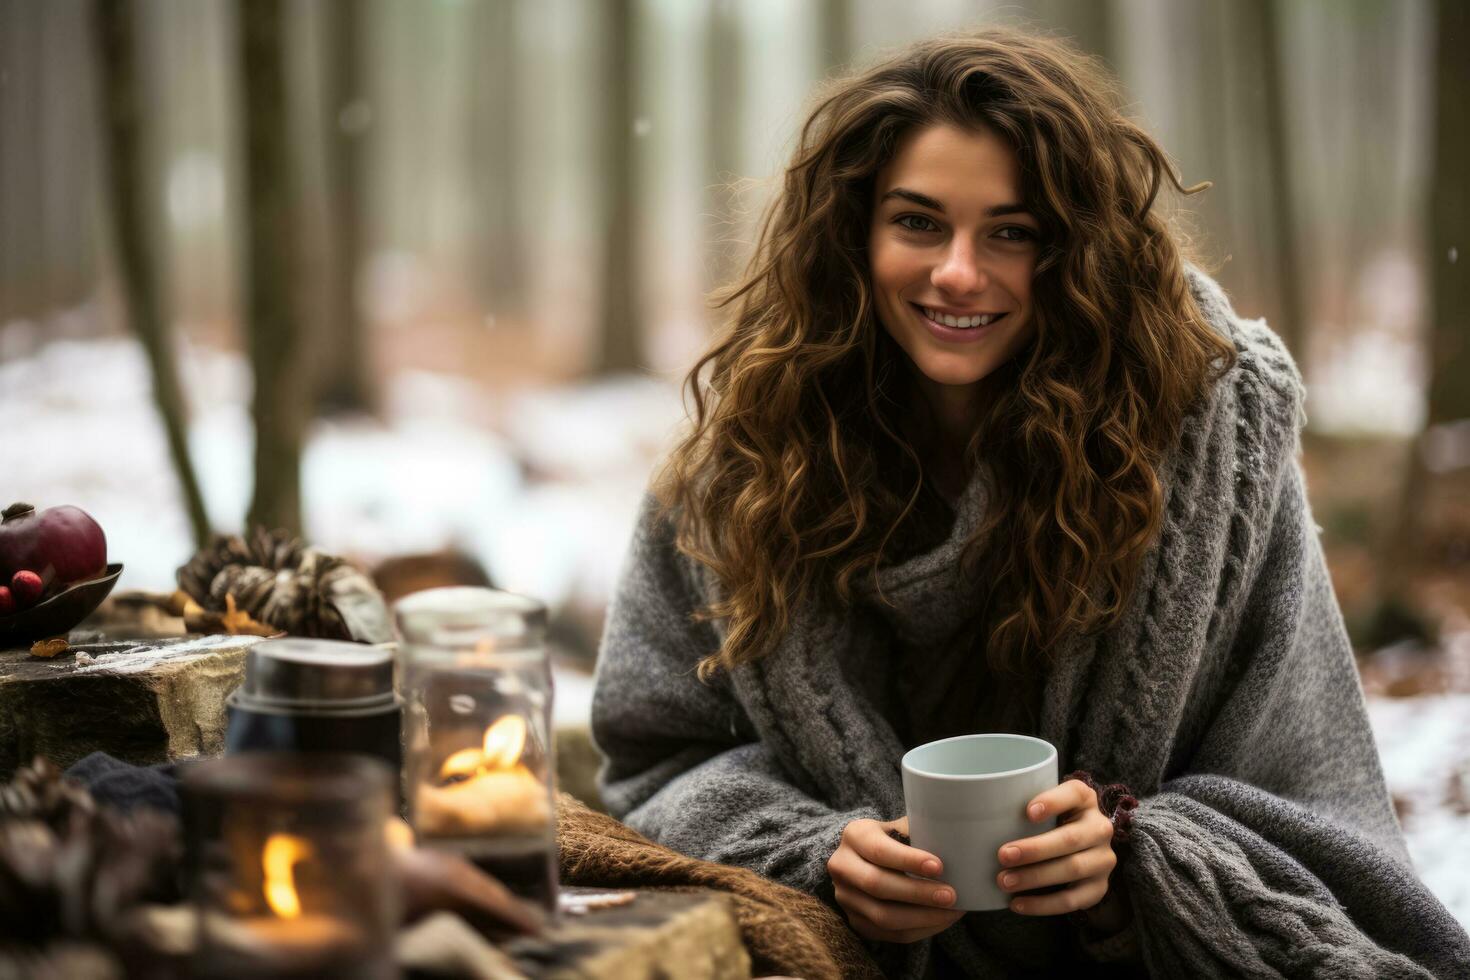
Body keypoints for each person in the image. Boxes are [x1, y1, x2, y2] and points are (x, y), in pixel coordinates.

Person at [591, 28, 1470, 979]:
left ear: (1075, 249)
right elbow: (657, 760)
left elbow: (1311, 792)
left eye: (1011, 232)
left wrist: (1135, 857)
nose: (960, 273)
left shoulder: (1212, 434)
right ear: (855, 232)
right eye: (919, 223)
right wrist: (816, 852)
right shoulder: (748, 457)